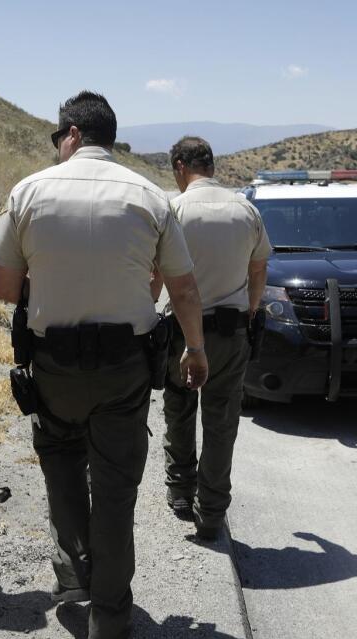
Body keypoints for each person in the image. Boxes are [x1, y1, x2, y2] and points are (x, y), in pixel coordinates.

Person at [0, 92, 208, 639]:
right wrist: (196, 350)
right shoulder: (151, 198)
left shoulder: (28, 191)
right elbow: (181, 286)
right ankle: (109, 621)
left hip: (53, 364)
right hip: (124, 368)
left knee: (61, 466)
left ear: (72, 134)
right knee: (114, 491)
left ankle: (74, 572)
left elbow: (5, 288)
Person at [151, 136, 271, 540]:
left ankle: (181, 491)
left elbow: (156, 275)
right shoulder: (246, 209)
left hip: (182, 330)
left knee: (179, 408)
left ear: (181, 166)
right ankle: (213, 511)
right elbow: (259, 272)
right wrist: (249, 313)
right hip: (231, 330)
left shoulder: (175, 209)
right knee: (221, 423)